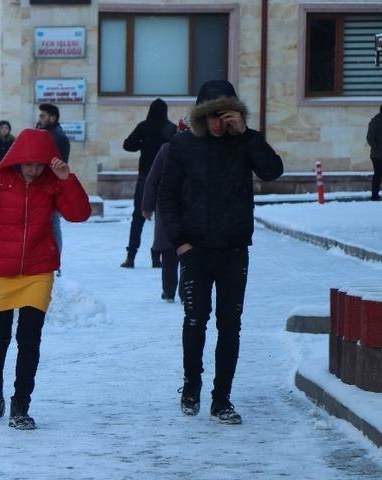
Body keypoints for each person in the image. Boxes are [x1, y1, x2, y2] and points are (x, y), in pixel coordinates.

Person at [158, 80, 283, 425]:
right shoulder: (182, 146)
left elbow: (273, 171)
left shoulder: (243, 143)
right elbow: (166, 197)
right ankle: (191, 385)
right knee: (196, 320)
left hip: (233, 250)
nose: (218, 124)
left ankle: (222, 399)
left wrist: (246, 134)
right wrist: (180, 243)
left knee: (230, 326)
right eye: (211, 117)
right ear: (200, 116)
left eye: (225, 116)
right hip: (195, 250)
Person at [0, 128, 91, 430]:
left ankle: (21, 406)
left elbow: (80, 214)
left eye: (39, 164)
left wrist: (67, 180)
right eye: (28, 163)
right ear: (17, 159)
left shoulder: (52, 185)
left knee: (29, 339)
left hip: (37, 270)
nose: (33, 169)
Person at [120, 98, 177, 269]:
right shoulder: (171, 129)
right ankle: (156, 256)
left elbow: (128, 145)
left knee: (138, 217)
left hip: (145, 177)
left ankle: (131, 256)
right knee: (163, 219)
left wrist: (142, 142)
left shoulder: (144, 127)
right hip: (165, 178)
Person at [142, 116, 189, 304]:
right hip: (170, 206)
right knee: (173, 252)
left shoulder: (197, 150)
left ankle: (178, 291)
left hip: (188, 207)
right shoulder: (167, 149)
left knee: (183, 252)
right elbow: (152, 179)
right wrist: (147, 206)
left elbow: (152, 179)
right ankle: (172, 291)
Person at [37, 103, 71, 274]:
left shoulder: (57, 137)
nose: (40, 119)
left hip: (50, 187)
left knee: (53, 224)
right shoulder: (47, 134)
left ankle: (54, 261)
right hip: (44, 185)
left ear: (53, 117)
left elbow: (54, 164)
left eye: (43, 116)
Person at [366, 105, 382, 201]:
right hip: (377, 155)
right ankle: (374, 196)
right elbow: (370, 138)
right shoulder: (376, 121)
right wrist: (377, 148)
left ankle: (375, 195)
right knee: (378, 175)